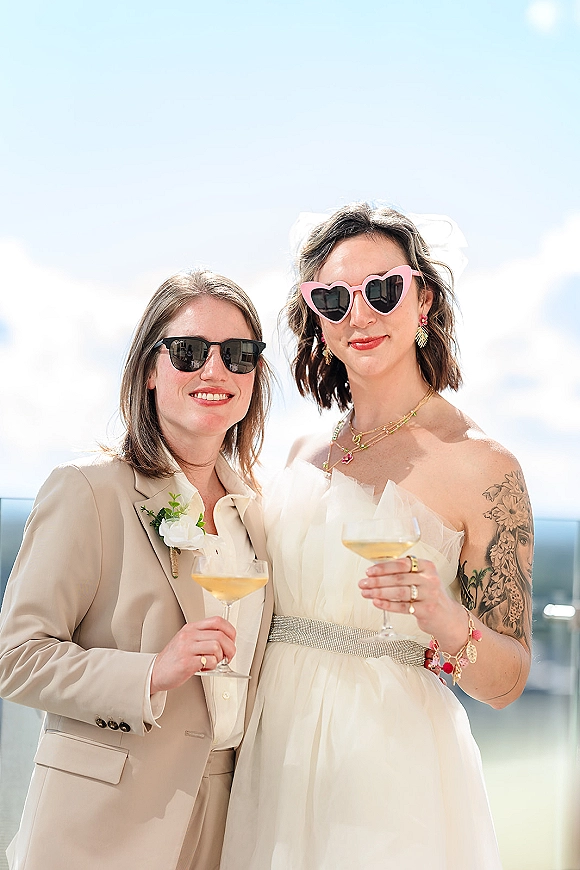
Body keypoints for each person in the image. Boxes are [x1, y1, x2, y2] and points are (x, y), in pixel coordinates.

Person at [220, 204, 532, 869]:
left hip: (391, 773)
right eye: (334, 299)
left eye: (382, 290)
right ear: (317, 319)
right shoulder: (299, 453)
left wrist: (447, 619)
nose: (359, 315)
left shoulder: (483, 467)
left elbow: (508, 683)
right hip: (273, 755)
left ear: (424, 300)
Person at [0, 269, 273, 870]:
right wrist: (151, 672)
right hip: (101, 828)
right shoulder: (87, 491)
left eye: (238, 354)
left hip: (230, 825)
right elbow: (15, 658)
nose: (215, 370)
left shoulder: (259, 514)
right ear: (150, 370)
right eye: (189, 352)